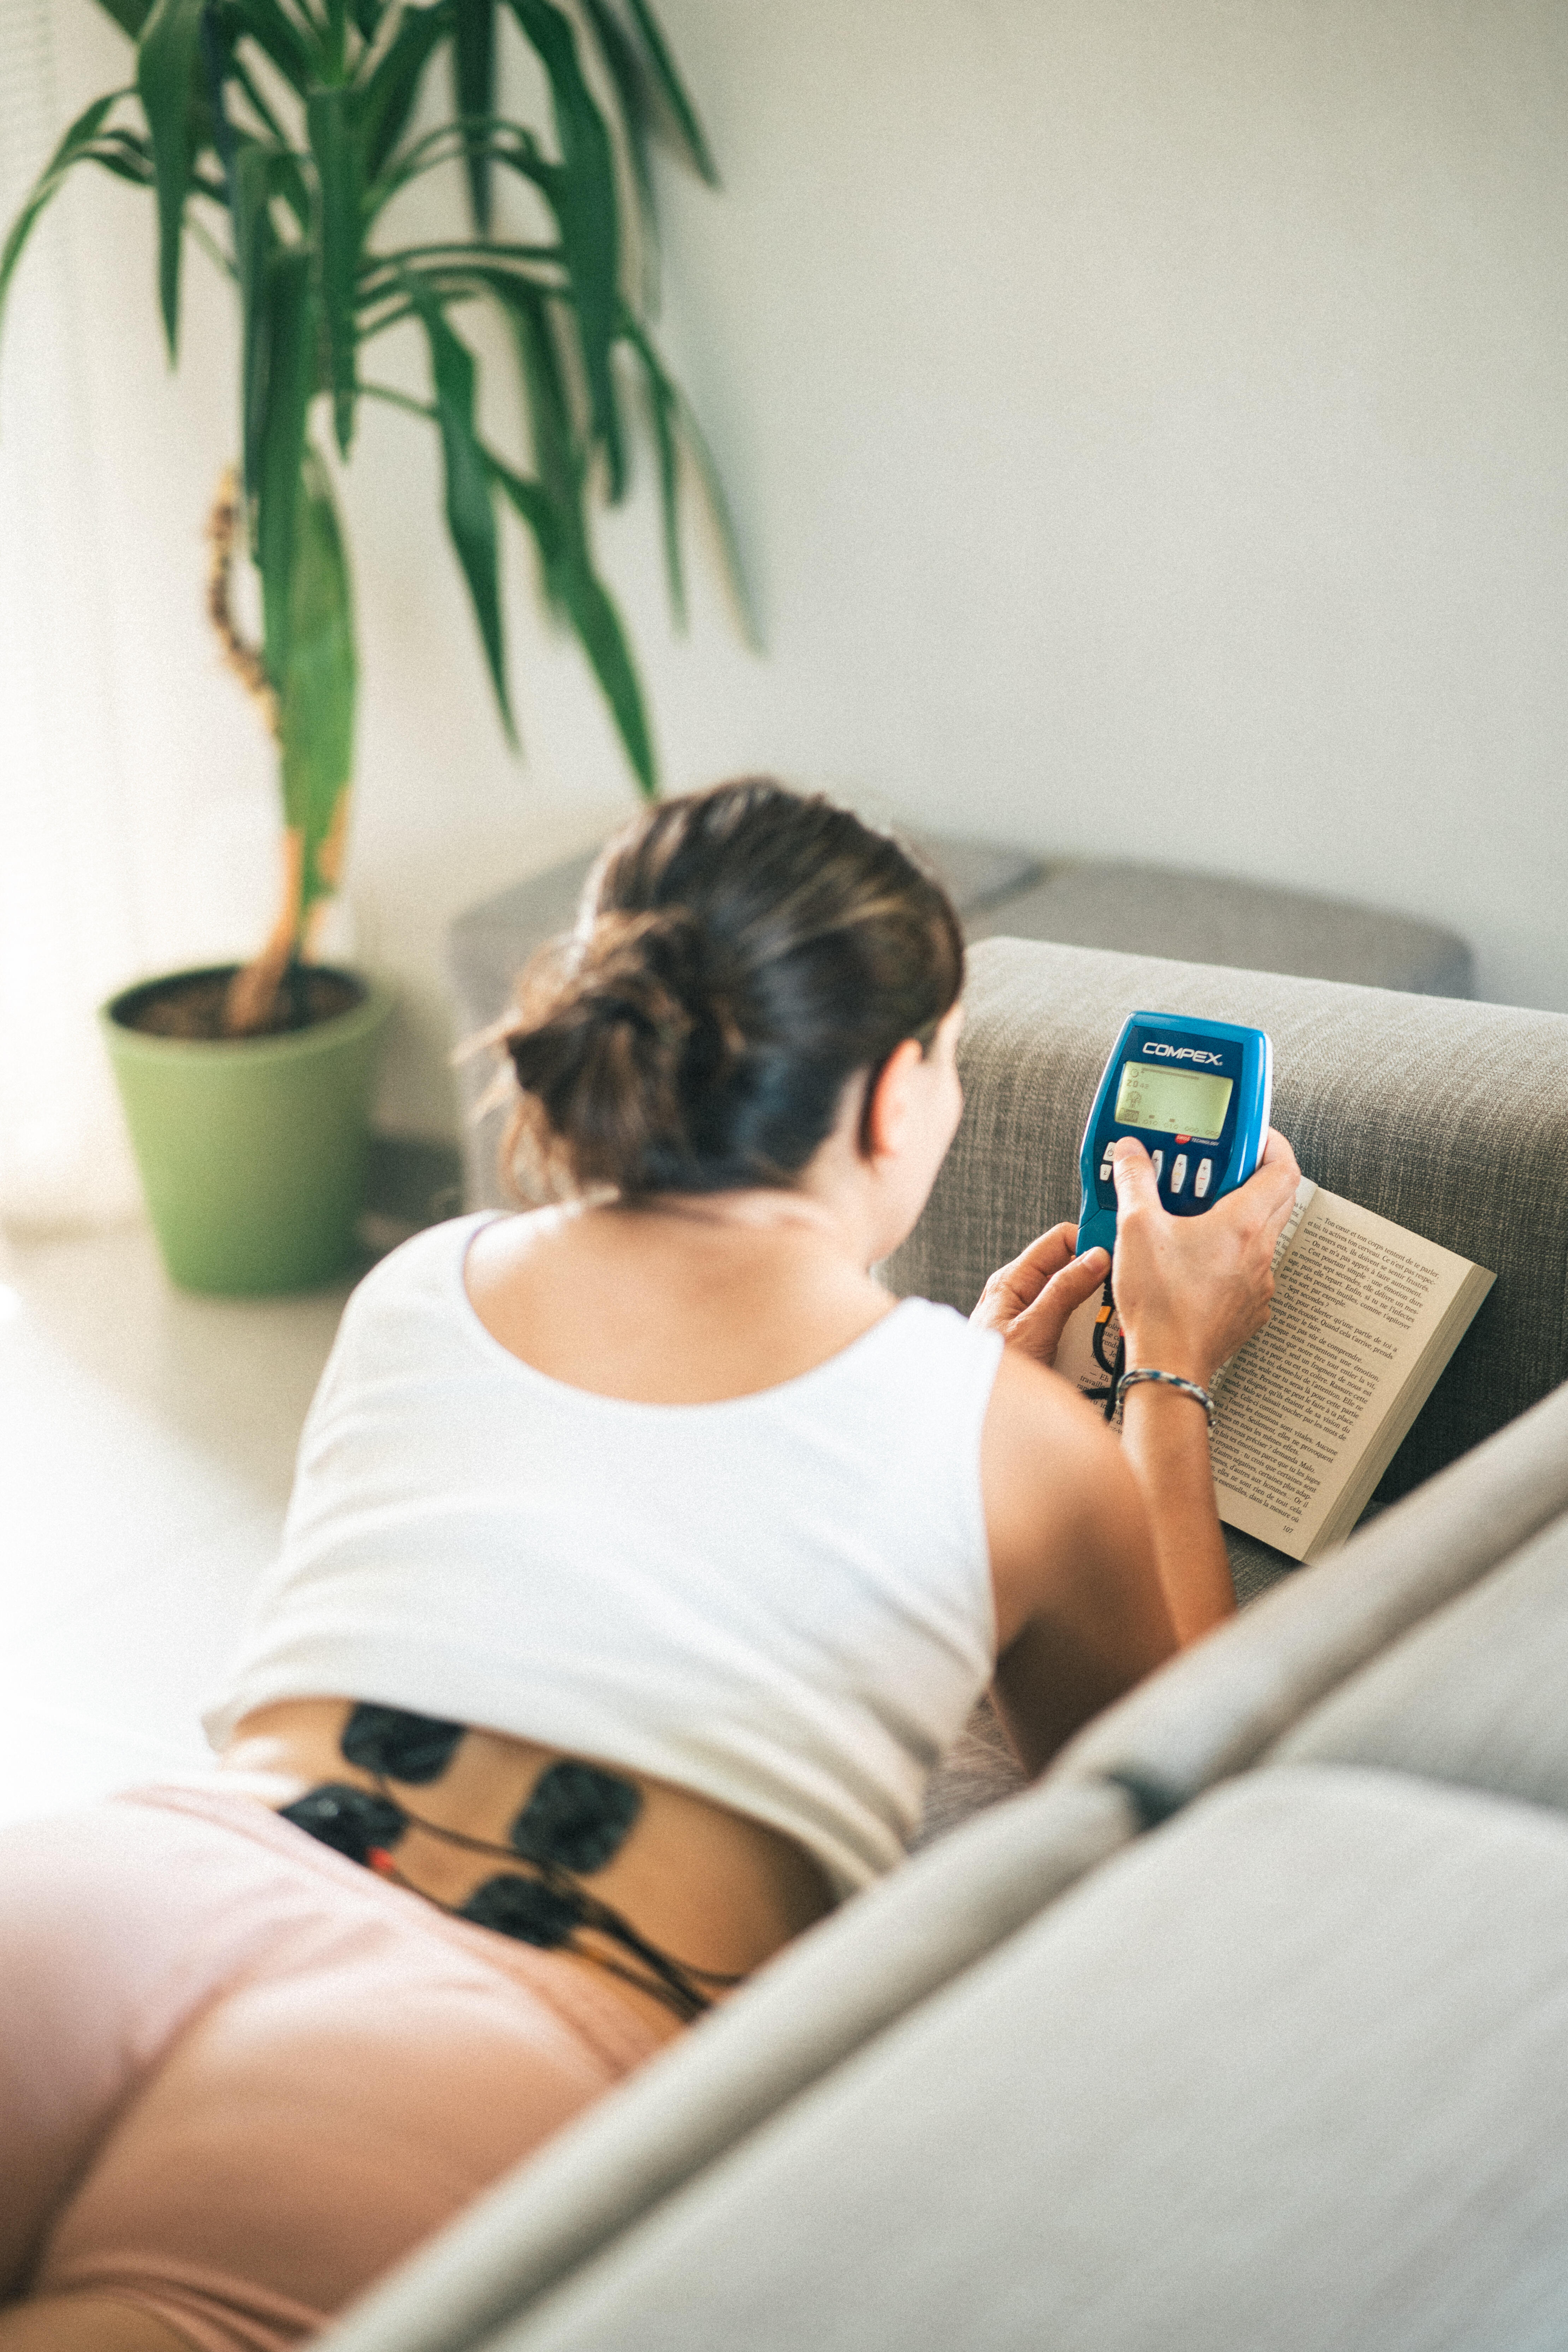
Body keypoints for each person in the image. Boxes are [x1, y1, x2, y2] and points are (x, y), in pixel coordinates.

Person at [0, 779, 1301, 2352]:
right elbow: (1188, 1815)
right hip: (487, 2035)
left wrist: (960, 1411)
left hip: (127, 1891)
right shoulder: (1010, 1441)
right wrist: (1168, 1374)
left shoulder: (420, 1281)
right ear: (896, 1096)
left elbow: (630, 1507)